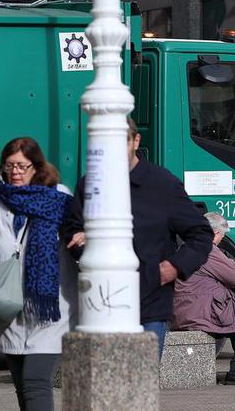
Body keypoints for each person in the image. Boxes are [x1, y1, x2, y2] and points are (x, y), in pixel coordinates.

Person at [61, 118, 213, 357]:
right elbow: (73, 229)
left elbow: (201, 234)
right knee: (105, 385)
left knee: (140, 385)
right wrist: (83, 245)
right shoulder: (90, 184)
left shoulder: (163, 184)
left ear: (135, 141)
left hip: (149, 304)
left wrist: (173, 267)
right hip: (102, 304)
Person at [0, 137, 75, 411]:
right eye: (9, 166)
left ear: (37, 166)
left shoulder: (60, 198)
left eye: (21, 166)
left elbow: (79, 245)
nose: (14, 172)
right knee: (21, 386)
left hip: (51, 307)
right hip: (8, 308)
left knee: (35, 381)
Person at [173, 212, 235, 385]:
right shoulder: (207, 250)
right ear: (215, 233)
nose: (221, 240)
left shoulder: (187, 246)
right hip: (202, 312)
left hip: (187, 310)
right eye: (222, 236)